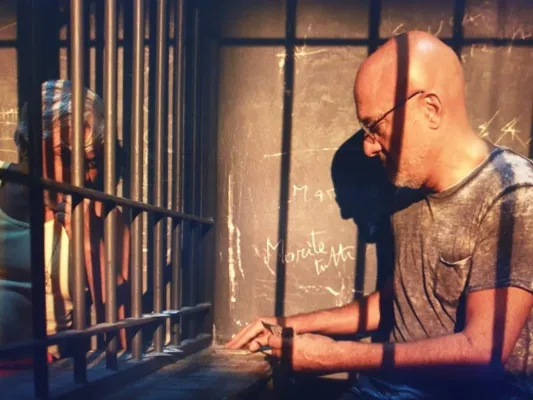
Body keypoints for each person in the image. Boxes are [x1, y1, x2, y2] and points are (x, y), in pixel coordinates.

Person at [226, 31, 533, 399]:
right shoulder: (406, 194)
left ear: (430, 109)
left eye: (375, 127)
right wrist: (286, 327)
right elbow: (396, 302)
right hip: (383, 390)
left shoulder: (513, 194)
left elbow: (485, 349)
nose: (369, 147)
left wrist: (336, 356)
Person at [0, 79, 129, 367]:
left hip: (49, 372)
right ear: (28, 146)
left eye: (90, 161)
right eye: (66, 156)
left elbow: (124, 340)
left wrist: (89, 243)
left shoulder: (103, 214)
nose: (78, 174)